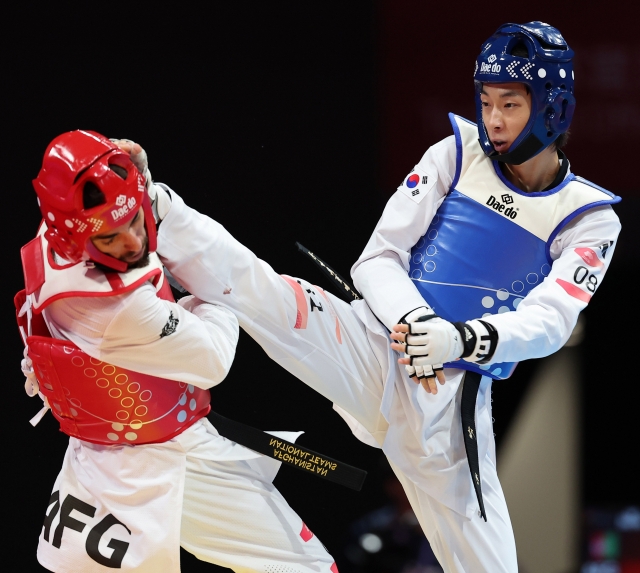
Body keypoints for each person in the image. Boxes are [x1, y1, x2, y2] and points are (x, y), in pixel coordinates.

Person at [148, 21, 621, 572]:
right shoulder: (454, 152)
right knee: (264, 292)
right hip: (375, 345)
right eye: (487, 101)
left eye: (510, 104)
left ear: (552, 109)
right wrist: (418, 324)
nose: (493, 119)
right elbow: (375, 259)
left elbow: (551, 322)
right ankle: (153, 204)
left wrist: (455, 341)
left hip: (446, 405)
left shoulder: (589, 219)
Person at [16, 131, 339, 573]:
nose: (133, 243)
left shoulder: (63, 230)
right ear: (75, 235)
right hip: (165, 461)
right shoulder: (116, 309)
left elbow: (112, 205)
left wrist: (140, 183)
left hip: (109, 445)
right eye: (111, 238)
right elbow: (214, 359)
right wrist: (209, 293)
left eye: (134, 220)